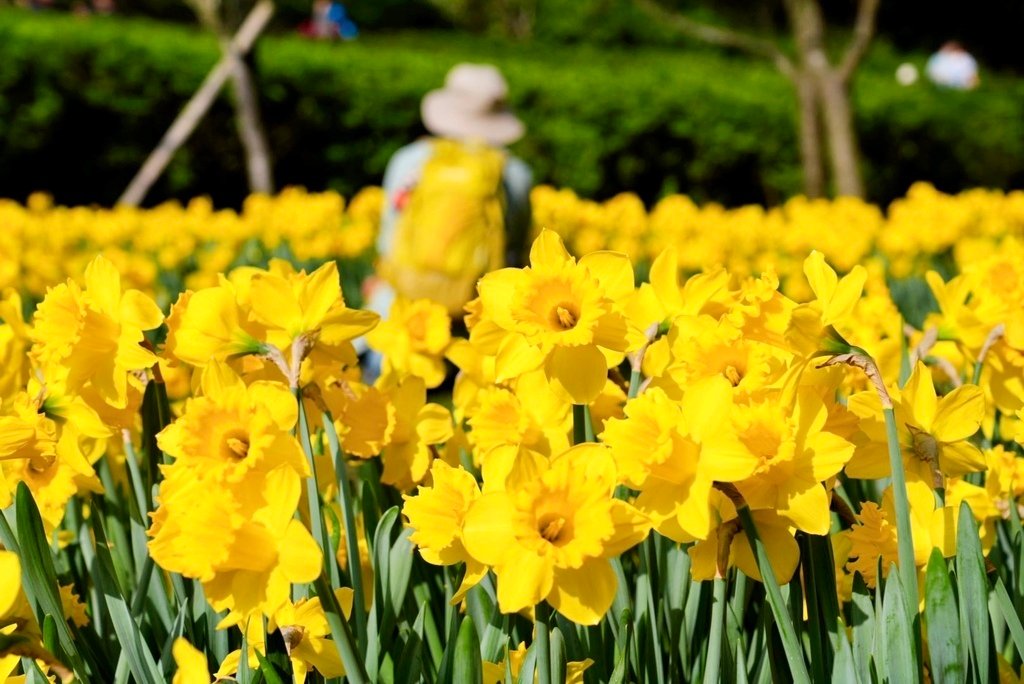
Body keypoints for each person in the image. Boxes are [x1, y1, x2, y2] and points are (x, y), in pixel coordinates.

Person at [357, 63, 532, 378]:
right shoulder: (516, 175)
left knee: (381, 384)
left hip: (403, 305)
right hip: (474, 316)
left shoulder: (409, 161)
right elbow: (515, 257)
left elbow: (388, 242)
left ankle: (377, 371)